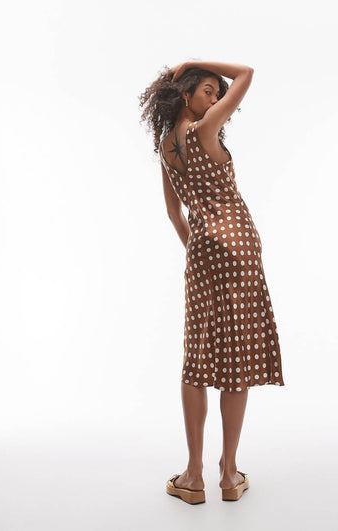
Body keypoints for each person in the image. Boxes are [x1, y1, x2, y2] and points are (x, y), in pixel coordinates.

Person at [138, 60, 285, 504]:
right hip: (238, 245)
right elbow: (248, 73)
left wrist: (199, 252)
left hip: (202, 249)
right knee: (236, 357)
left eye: (217, 94)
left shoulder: (165, 147)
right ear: (186, 94)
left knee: (198, 357)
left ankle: (193, 475)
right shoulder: (205, 130)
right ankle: (229, 473)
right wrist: (192, 61)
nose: (217, 99)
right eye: (208, 90)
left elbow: (174, 214)